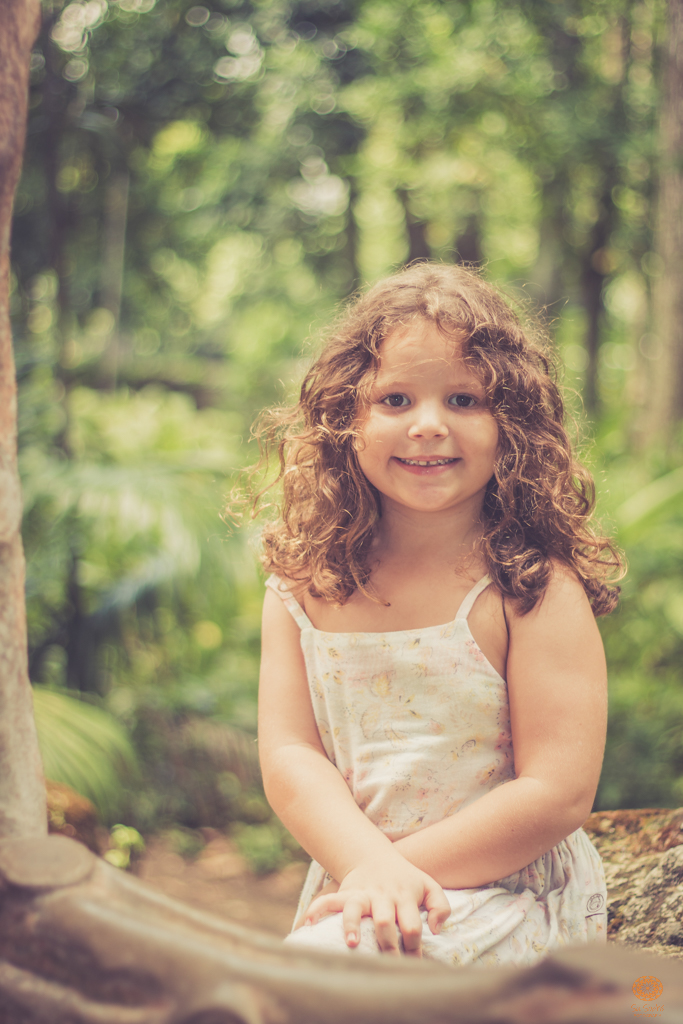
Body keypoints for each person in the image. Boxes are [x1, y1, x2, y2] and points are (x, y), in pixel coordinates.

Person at [254, 262, 624, 967]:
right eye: (394, 399)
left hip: (507, 892)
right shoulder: (304, 586)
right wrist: (368, 868)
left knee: (334, 978)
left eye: (462, 399)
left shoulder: (528, 588)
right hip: (364, 881)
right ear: (344, 419)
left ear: (510, 425)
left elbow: (556, 791)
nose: (427, 425)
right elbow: (290, 754)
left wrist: (393, 873)